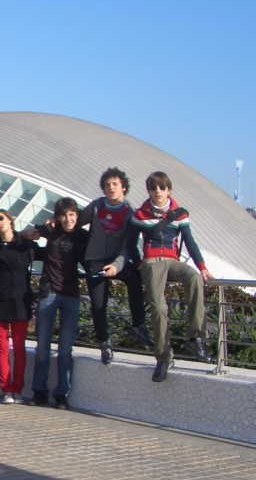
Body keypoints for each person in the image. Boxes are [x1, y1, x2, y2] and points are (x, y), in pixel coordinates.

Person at [125, 171, 213, 382]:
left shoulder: (179, 214)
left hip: (173, 260)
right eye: (154, 188)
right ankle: (163, 356)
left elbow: (190, 242)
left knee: (193, 278)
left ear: (169, 190)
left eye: (162, 188)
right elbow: (130, 243)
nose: (158, 192)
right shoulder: (140, 215)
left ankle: (195, 337)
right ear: (149, 191)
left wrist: (202, 266)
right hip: (151, 262)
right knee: (158, 307)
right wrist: (139, 263)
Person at [80, 167, 152, 364]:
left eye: (115, 184)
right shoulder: (96, 206)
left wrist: (116, 266)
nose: (111, 188)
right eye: (107, 185)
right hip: (95, 259)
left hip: (116, 259)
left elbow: (127, 246)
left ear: (123, 188)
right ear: (103, 189)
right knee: (98, 304)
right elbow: (74, 221)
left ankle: (138, 324)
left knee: (134, 278)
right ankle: (104, 343)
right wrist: (53, 222)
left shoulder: (130, 213)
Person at [30, 198, 89, 409]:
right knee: (42, 346)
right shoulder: (51, 230)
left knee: (65, 348)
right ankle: (39, 391)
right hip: (49, 293)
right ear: (58, 216)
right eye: (64, 215)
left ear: (77, 215)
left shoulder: (83, 236)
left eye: (72, 214)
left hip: (71, 294)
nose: (68, 219)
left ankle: (62, 394)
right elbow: (27, 233)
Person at [0, 209, 36, 405]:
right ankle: (6, 389)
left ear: (11, 220)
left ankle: (18, 388)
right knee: (2, 348)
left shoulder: (26, 245)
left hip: (20, 300)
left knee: (19, 349)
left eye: (1, 218)